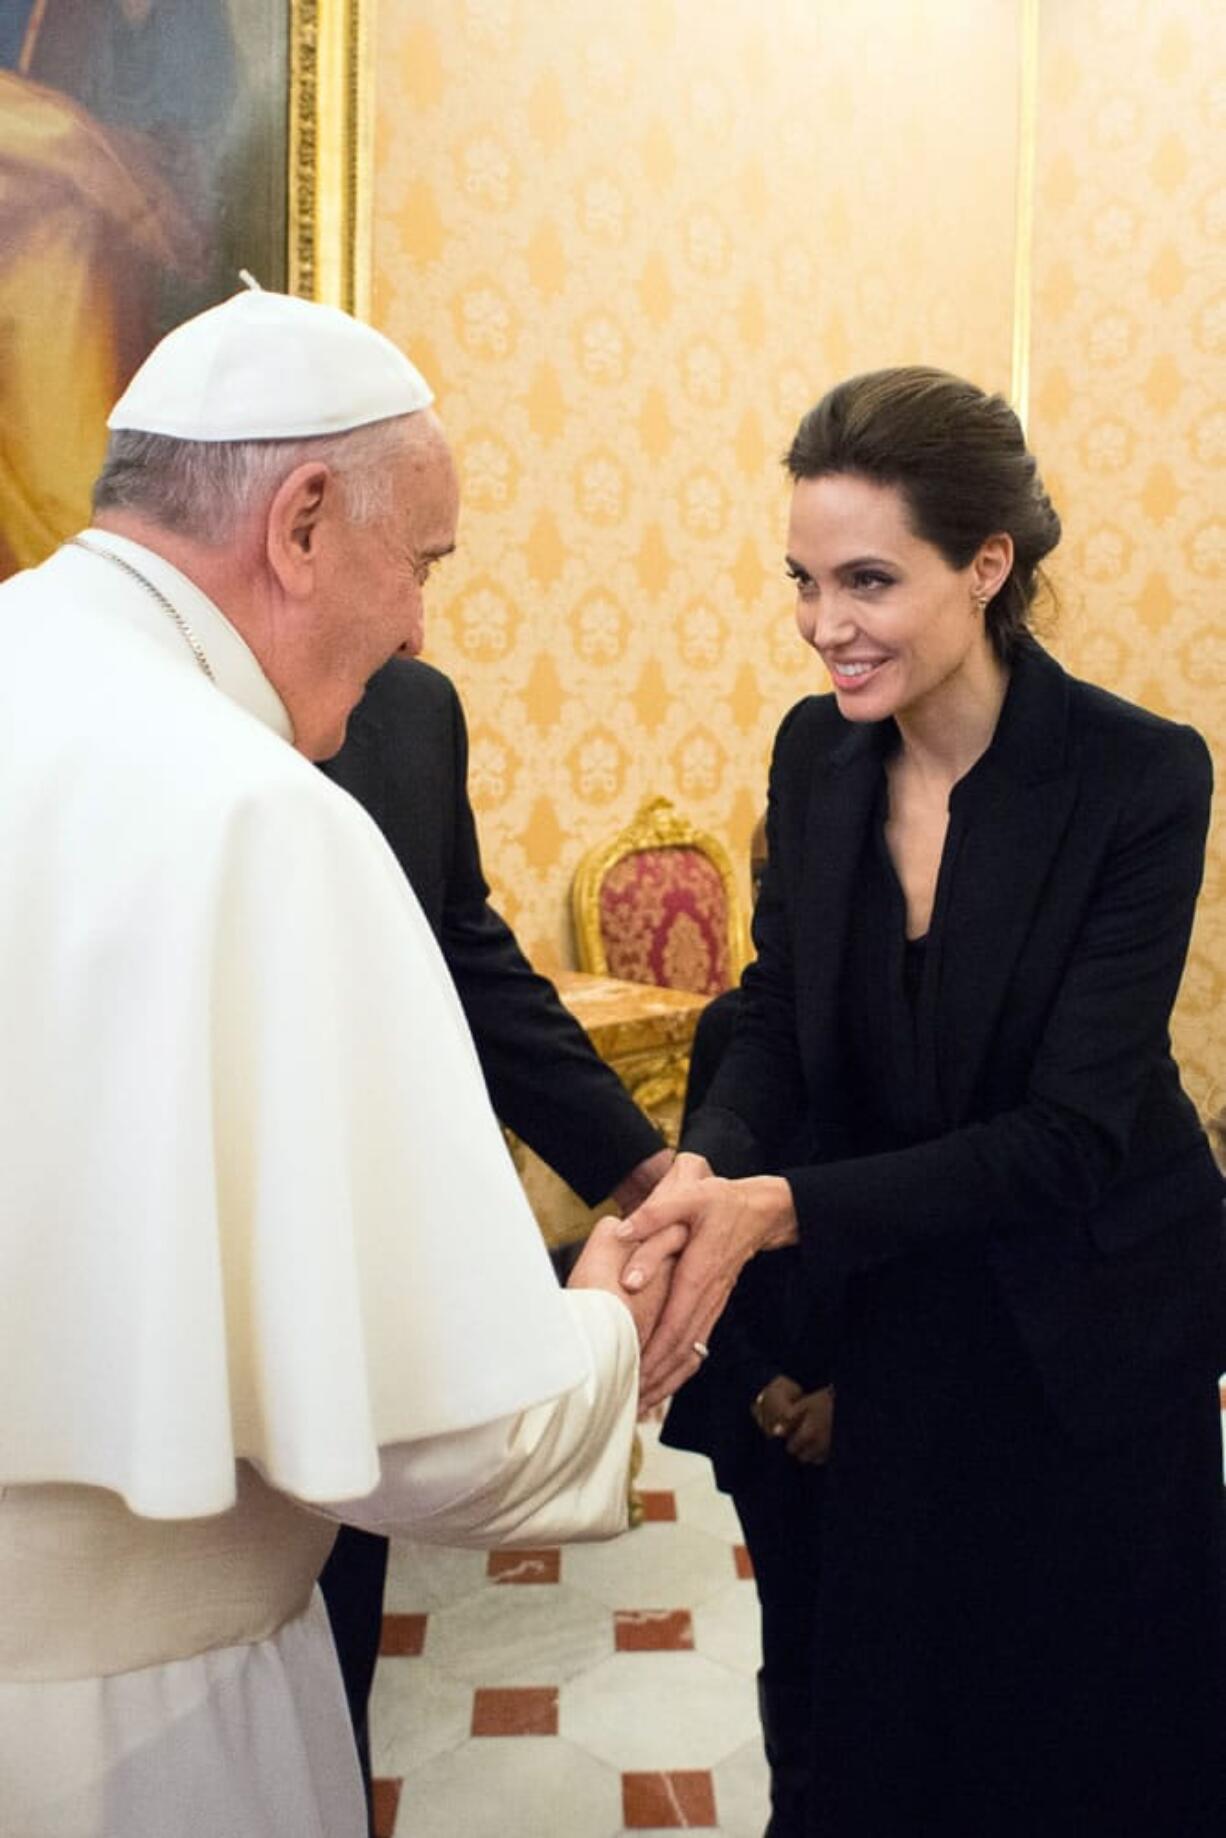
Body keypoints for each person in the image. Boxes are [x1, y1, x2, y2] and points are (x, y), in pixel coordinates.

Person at [0, 288, 682, 1838]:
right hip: (131, 1721)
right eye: (420, 561)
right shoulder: (255, 812)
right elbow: (445, 1435)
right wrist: (605, 1331)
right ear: (302, 520)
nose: (420, 625)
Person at [621, 367, 1226, 1835]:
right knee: (875, 1709)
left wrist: (779, 1207)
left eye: (869, 579)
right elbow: (771, 1011)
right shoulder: (815, 756)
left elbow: (1072, 1135)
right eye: (805, 580)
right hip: (898, 1301)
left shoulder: (1137, 779)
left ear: (987, 565)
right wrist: (708, 1166)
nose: (826, 623)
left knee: (1077, 1722)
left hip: (1087, 1327)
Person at [318, 656, 670, 1822]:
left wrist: (641, 1164)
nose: (422, 617)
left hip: (360, 1300)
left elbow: (466, 956)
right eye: (415, 561)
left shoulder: (414, 709)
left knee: (334, 1651)